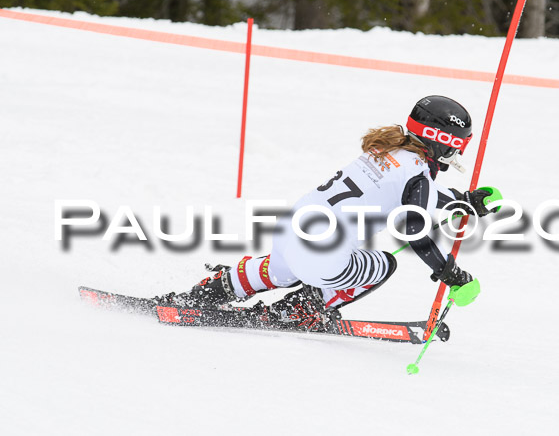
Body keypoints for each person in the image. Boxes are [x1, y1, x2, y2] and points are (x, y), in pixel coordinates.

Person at [157, 95, 499, 330]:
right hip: (326, 254)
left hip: (291, 227)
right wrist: (450, 274)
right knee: (383, 264)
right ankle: (298, 311)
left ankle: (204, 294)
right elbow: (416, 231)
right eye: (457, 145)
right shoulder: (417, 174)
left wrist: (463, 201)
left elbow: (413, 192)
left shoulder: (388, 149)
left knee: (280, 269)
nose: (454, 155)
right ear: (440, 139)